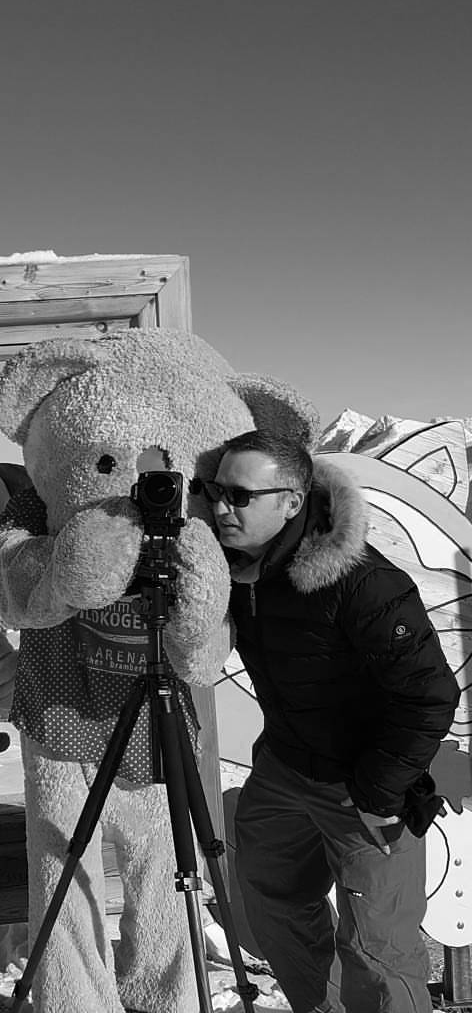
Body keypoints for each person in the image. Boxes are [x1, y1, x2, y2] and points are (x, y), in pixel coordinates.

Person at [198, 428, 459, 1013]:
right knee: (272, 904)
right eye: (215, 491)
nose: (221, 507)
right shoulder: (237, 571)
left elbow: (430, 694)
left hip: (364, 787)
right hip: (286, 769)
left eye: (240, 496)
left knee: (378, 949)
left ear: (292, 501)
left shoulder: (361, 580)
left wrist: (380, 789)